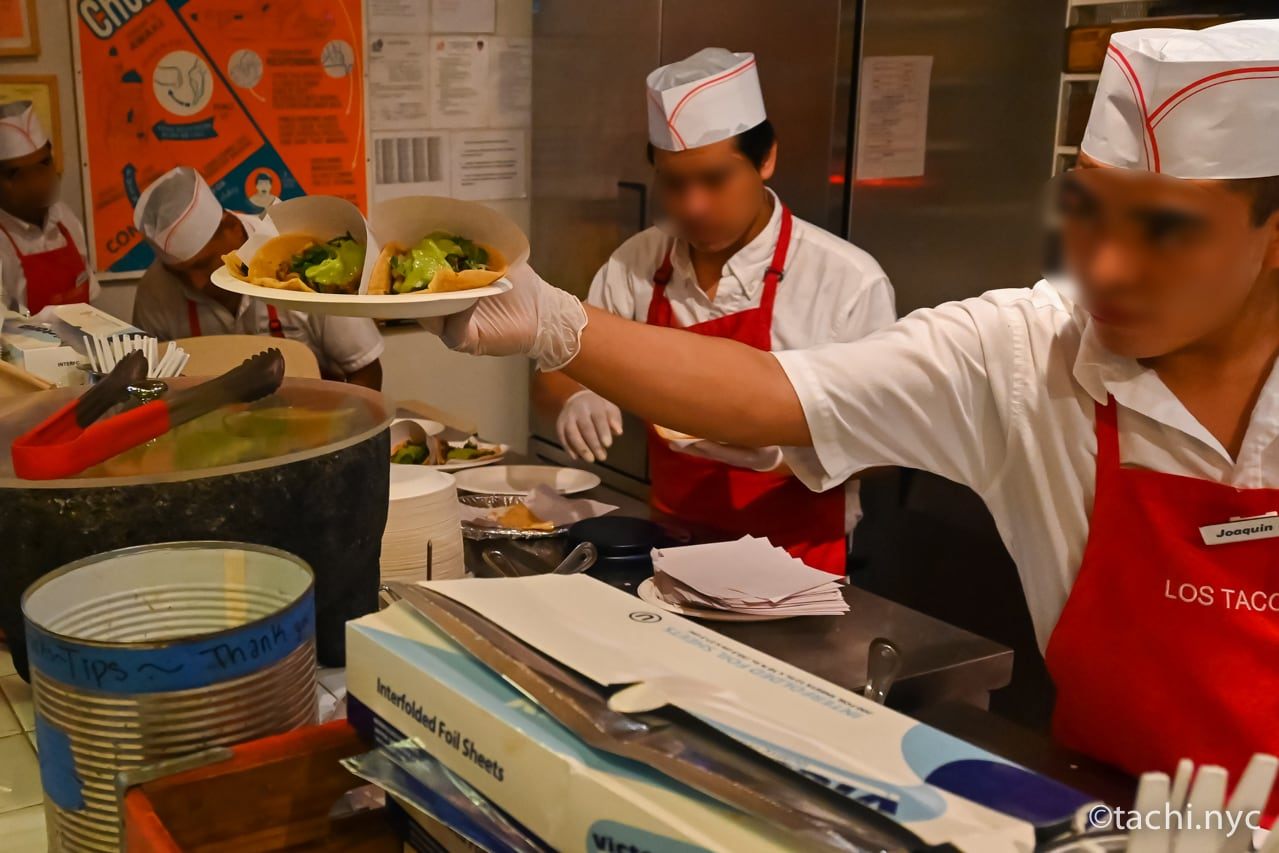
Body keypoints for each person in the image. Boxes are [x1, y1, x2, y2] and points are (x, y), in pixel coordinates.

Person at [428, 22, 1279, 799]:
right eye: (1087, 206)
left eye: (1165, 229)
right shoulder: (1026, 351)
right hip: (1114, 807)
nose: (1105, 265)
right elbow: (773, 391)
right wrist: (554, 325)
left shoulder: (847, 274)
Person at [535, 49, 895, 574]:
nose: (693, 205)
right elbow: (557, 366)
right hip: (670, 550)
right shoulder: (638, 263)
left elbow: (891, 443)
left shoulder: (846, 282)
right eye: (674, 182)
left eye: (715, 179)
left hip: (797, 565)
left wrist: (788, 455)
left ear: (766, 159)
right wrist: (577, 395)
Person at [131, 166, 384, 389]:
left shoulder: (302, 262)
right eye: (180, 274)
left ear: (231, 227)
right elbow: (151, 382)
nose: (196, 283)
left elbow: (365, 369)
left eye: (203, 264)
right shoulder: (156, 291)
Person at [0, 101, 96, 315]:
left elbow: (91, 301)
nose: (35, 183)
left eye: (43, 165)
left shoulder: (65, 219)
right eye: (16, 173)